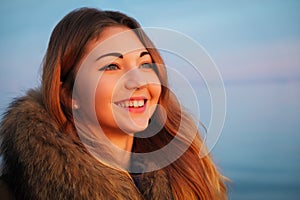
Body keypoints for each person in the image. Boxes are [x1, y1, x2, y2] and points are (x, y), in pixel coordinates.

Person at [0, 7, 227, 199]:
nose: (138, 81)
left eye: (145, 64)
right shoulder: (15, 191)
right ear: (69, 95)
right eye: (112, 67)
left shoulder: (189, 172)